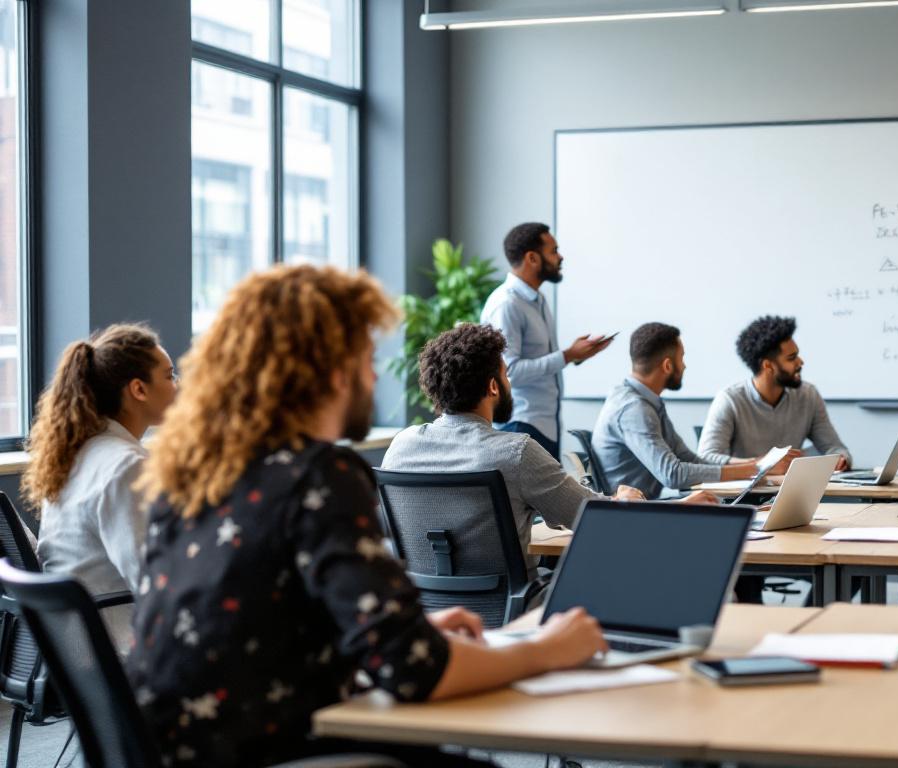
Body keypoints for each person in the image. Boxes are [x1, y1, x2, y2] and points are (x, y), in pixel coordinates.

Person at [129, 265, 607, 768]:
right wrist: (545, 649)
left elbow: (260, 623)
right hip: (275, 748)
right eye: (365, 356)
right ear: (332, 369)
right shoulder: (318, 475)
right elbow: (413, 674)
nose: (375, 375)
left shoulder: (191, 470)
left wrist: (406, 628)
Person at [381, 323, 717, 577]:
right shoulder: (516, 452)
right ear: (493, 386)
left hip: (430, 614)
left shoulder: (401, 448)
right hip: (516, 611)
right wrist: (654, 504)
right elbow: (595, 517)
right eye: (505, 373)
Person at [22, 324, 177, 650]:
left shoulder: (78, 454)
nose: (178, 386)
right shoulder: (126, 466)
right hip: (119, 646)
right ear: (139, 389)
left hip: (79, 648)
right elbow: (151, 579)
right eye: (169, 375)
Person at [593, 322, 775, 499]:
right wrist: (752, 470)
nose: (685, 365)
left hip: (647, 506)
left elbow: (688, 459)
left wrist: (754, 465)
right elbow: (673, 474)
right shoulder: (634, 409)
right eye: (682, 358)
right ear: (667, 366)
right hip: (631, 514)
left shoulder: (646, 402)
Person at [480, 222, 613, 459]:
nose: (560, 257)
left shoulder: (538, 300)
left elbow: (539, 361)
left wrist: (576, 356)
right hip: (521, 424)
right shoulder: (507, 304)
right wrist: (567, 355)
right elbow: (510, 372)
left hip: (545, 424)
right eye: (553, 251)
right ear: (532, 258)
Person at [698, 315, 849, 471]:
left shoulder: (808, 395)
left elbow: (835, 447)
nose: (800, 362)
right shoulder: (730, 400)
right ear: (768, 366)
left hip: (792, 491)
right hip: (742, 493)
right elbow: (707, 458)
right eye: (792, 358)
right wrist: (762, 463)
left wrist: (840, 458)